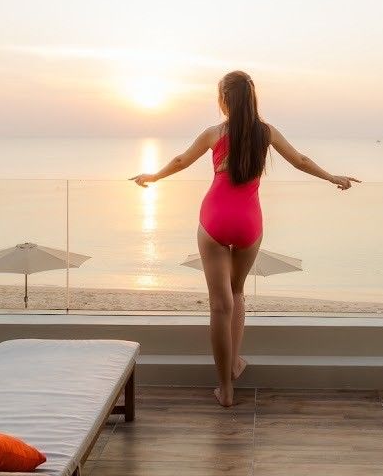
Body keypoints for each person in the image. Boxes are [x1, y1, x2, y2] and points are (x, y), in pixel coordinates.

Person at [132, 70, 359, 407]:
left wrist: (153, 176)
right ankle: (235, 363)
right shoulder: (265, 132)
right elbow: (300, 160)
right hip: (248, 222)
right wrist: (331, 177)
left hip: (214, 219)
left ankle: (225, 388)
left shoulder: (213, 133)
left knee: (219, 305)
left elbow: (181, 161)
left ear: (224, 99)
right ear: (252, 99)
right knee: (237, 293)